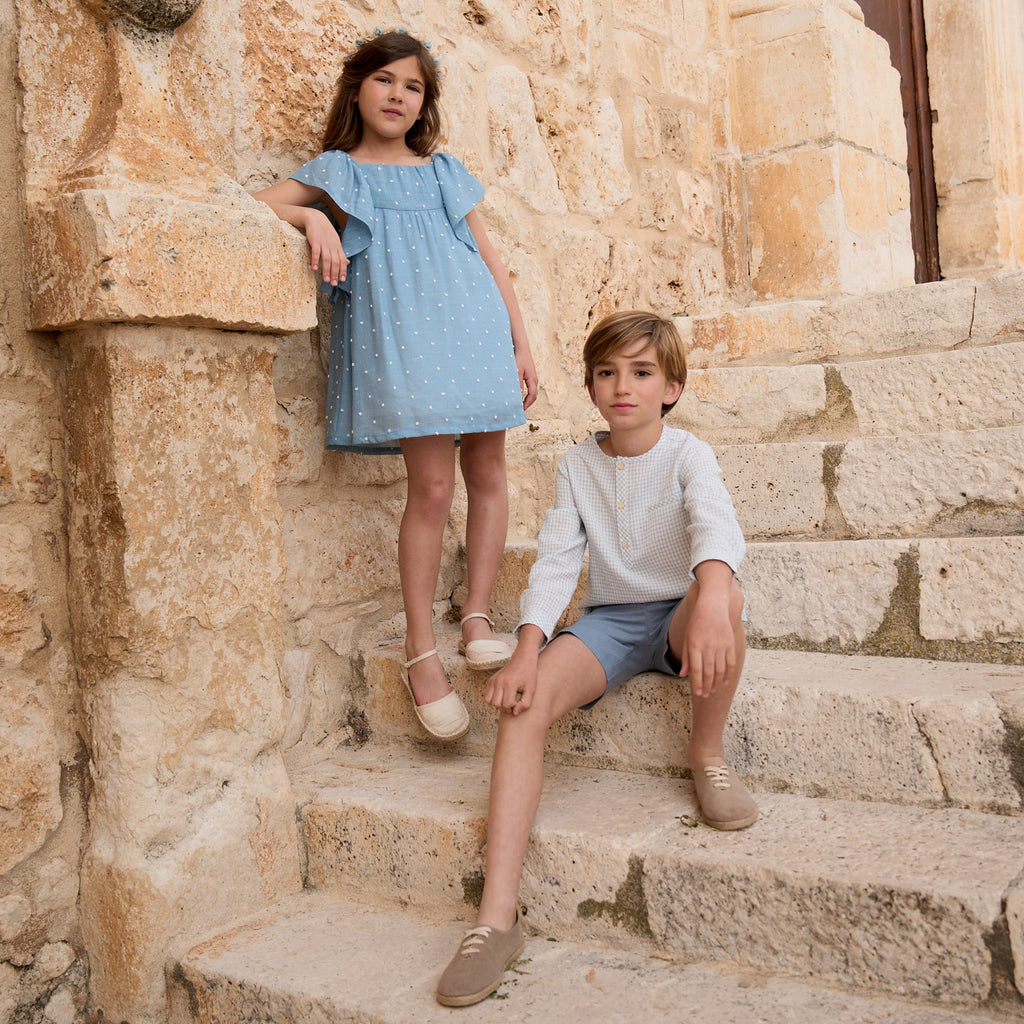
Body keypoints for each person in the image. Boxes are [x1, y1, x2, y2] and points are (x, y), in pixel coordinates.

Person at [435, 310, 756, 1007]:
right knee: (524, 706)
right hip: (610, 622)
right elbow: (555, 561)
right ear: (589, 386)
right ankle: (496, 920)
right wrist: (528, 650)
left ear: (671, 387)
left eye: (641, 372)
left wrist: (711, 591)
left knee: (722, 597)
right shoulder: (578, 465)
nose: (623, 387)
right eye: (607, 372)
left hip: (679, 614)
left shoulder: (688, 454)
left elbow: (714, 521)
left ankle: (707, 755)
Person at [252, 30, 538, 743]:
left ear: (423, 103)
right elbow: (254, 203)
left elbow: (490, 258)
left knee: (489, 470)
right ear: (359, 89)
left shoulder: (444, 172)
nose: (397, 95)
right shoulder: (338, 172)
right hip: (408, 340)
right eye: (385, 81)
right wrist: (313, 215)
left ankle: (476, 614)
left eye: (412, 87)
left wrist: (521, 339)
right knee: (433, 489)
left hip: (474, 330)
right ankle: (421, 654)